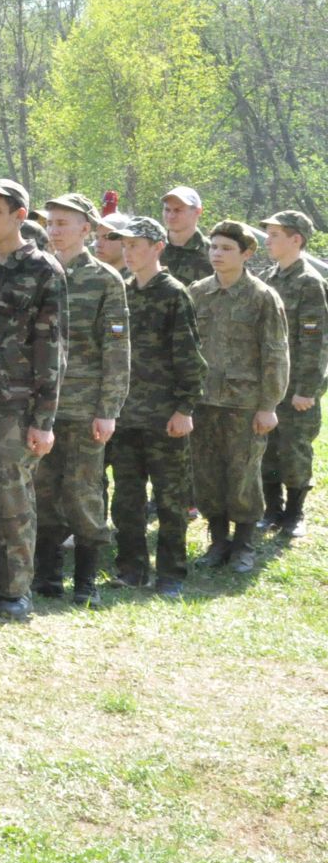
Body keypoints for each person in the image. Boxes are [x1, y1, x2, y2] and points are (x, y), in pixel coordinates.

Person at [0, 176, 67, 621]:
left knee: (14, 501)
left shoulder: (43, 271)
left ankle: (16, 588)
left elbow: (53, 349)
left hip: (17, 408)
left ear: (20, 216)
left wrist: (44, 418)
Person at [35, 193, 130, 606]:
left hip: (83, 407)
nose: (55, 230)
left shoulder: (105, 280)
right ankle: (47, 578)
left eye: (63, 223)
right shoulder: (37, 271)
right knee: (43, 492)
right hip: (42, 408)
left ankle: (87, 581)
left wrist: (108, 410)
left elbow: (116, 351)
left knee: (83, 492)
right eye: (51, 223)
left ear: (86, 230)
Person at [105, 216, 204, 597]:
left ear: (157, 248)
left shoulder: (174, 293)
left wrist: (185, 408)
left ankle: (171, 573)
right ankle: (131, 568)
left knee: (171, 500)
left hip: (165, 417)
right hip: (127, 416)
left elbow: (191, 358)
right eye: (125, 245)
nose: (128, 252)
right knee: (126, 500)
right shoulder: (123, 291)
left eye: (136, 245)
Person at [187, 221, 289, 574]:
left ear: (247, 254)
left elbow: (275, 353)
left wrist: (268, 405)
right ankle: (218, 541)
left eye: (226, 248)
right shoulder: (197, 293)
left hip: (244, 403)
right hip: (203, 402)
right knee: (207, 475)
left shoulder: (262, 297)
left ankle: (244, 544)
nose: (217, 253)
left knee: (243, 474)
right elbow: (185, 350)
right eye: (213, 247)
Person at [259, 210, 324, 539]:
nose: (267, 240)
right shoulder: (271, 278)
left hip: (296, 386)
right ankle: (272, 509)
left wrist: (307, 389)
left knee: (295, 449)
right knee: (267, 447)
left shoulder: (309, 283)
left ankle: (295, 513)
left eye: (274, 234)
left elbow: (316, 342)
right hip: (270, 384)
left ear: (296, 239)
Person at [161, 186, 213, 287]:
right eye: (167, 210)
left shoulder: (212, 253)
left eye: (177, 210)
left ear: (197, 212)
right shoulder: (152, 248)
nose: (171, 216)